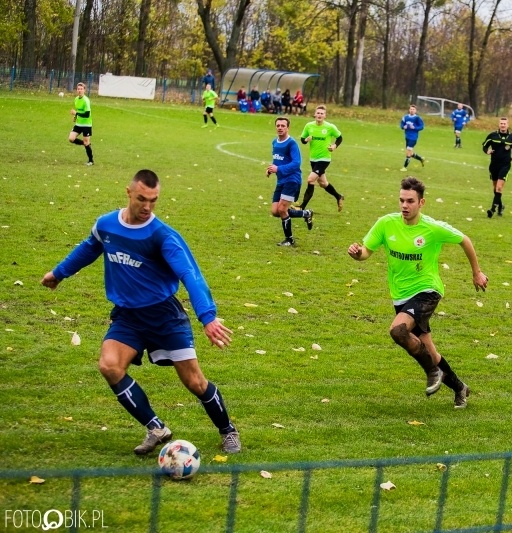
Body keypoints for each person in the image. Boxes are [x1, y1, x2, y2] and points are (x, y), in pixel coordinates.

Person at [40, 169, 241, 455]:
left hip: (164, 316)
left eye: (154, 200)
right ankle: (156, 427)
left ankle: (228, 430)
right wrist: (59, 273)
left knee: (195, 382)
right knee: (109, 366)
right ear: (129, 192)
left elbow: (189, 274)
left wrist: (207, 317)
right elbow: (89, 249)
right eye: (142, 199)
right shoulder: (107, 225)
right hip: (128, 317)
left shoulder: (162, 236)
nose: (147, 207)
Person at [347, 177, 489, 408]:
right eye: (401, 200)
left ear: (421, 203)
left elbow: (465, 240)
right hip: (401, 295)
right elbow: (366, 252)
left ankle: (433, 373)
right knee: (428, 350)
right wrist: (357, 253)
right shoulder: (386, 224)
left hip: (428, 290)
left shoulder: (432, 228)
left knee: (398, 330)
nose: (404, 205)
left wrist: (477, 273)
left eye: (410, 201)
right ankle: (460, 387)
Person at [267, 117, 313, 246]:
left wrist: (278, 168)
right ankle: (306, 213)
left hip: (292, 180)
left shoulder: (291, 143)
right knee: (275, 211)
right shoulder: (274, 142)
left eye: (283, 125)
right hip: (281, 181)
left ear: (288, 128)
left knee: (282, 209)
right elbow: (278, 160)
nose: (280, 127)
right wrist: (271, 169)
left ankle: (289, 239)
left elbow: (296, 163)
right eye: (278, 125)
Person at [298, 105, 344, 214]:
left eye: (321, 113)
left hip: (324, 159)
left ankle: (302, 207)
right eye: (318, 113)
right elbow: (302, 139)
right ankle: (339, 197)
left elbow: (339, 137)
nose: (319, 115)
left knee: (310, 179)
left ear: (325, 116)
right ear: (315, 114)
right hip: (313, 159)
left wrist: (334, 146)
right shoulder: (309, 126)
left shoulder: (330, 127)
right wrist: (306, 140)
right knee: (323, 183)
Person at [482, 117, 512, 218]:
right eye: (501, 123)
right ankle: (501, 206)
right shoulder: (492, 135)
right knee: (495, 188)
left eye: (504, 124)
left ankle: (492, 210)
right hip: (494, 165)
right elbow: (485, 146)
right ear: (499, 124)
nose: (503, 125)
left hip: (505, 165)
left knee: (499, 187)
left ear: (508, 125)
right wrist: (487, 151)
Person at [69, 82, 94, 166]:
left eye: (81, 89)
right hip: (78, 124)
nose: (79, 90)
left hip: (86, 124)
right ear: (76, 90)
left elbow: (87, 114)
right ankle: (85, 143)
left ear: (84, 90)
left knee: (87, 142)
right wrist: (75, 117)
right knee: (71, 139)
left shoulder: (86, 100)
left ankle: (91, 161)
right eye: (78, 89)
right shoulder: (76, 99)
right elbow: (78, 111)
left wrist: (76, 113)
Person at [400, 104, 425, 171]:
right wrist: (403, 127)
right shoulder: (405, 117)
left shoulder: (417, 118)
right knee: (410, 153)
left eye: (413, 109)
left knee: (408, 152)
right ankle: (421, 159)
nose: (412, 110)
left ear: (415, 111)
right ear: (409, 110)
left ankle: (405, 167)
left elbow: (422, 127)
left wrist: (415, 128)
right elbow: (402, 124)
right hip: (407, 136)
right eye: (411, 109)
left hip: (413, 137)